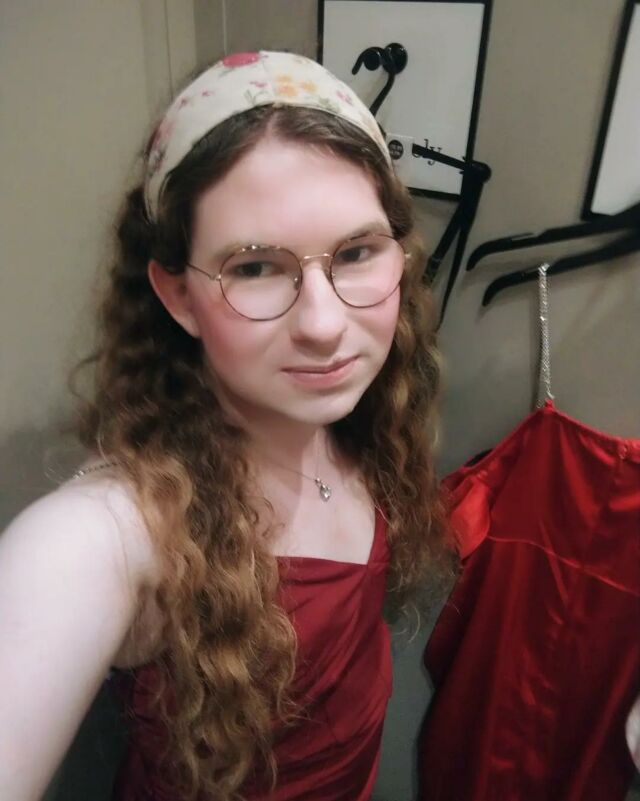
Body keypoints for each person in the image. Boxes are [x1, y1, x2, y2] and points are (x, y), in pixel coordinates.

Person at [0, 51, 453, 801]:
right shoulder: (110, 535)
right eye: (255, 267)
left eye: (356, 253)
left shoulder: (358, 422)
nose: (324, 324)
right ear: (179, 295)